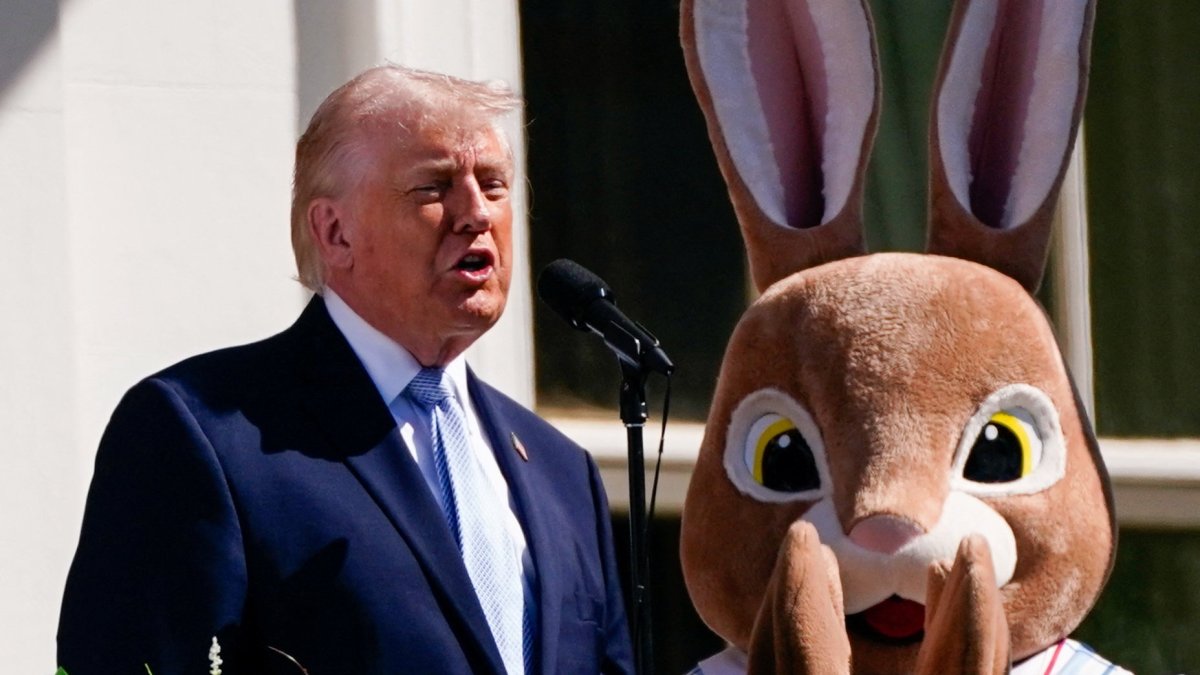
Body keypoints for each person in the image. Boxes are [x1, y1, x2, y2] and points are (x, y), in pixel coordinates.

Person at [57, 64, 634, 675]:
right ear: (334, 233)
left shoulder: (560, 470)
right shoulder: (203, 432)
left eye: (493, 185)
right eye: (434, 187)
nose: (476, 214)